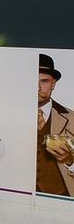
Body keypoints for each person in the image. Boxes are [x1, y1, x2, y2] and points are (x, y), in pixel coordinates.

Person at [36, 54, 74, 197]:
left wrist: (69, 160)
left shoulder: (72, 118)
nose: (37, 87)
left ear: (53, 84)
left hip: (61, 199)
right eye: (32, 81)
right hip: (20, 197)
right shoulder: (10, 115)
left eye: (44, 81)